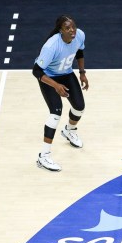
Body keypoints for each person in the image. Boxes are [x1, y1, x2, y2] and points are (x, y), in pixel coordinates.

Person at [32, 15, 89, 172]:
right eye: (67, 28)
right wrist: (56, 85)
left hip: (66, 73)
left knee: (79, 107)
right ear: (60, 30)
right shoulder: (51, 46)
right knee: (55, 112)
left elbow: (79, 52)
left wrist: (82, 73)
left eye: (73, 27)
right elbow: (36, 71)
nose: (72, 30)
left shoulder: (79, 35)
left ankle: (69, 131)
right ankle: (43, 156)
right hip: (48, 77)